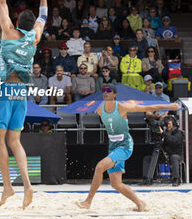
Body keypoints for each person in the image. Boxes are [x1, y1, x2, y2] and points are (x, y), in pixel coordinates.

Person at [0, 0, 51, 209]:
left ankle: (7, 186)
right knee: (15, 141)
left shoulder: (8, 32)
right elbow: (44, 16)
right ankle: (26, 184)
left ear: (17, 21)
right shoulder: (35, 37)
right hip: (21, 94)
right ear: (31, 23)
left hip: (5, 91)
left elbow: (1, 0)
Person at [75, 83, 180, 211]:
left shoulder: (121, 107)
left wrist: (169, 106)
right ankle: (140, 203)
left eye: (109, 90)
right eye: (104, 90)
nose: (105, 92)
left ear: (114, 95)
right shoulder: (99, 109)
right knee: (116, 184)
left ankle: (88, 202)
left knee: (100, 167)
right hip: (113, 146)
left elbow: (147, 107)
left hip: (124, 145)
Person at [143, 115, 183, 186]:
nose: (167, 125)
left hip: (176, 155)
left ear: (173, 123)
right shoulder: (163, 131)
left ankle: (176, 179)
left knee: (174, 157)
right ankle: (147, 178)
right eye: (166, 123)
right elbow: (156, 141)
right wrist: (156, 132)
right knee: (147, 158)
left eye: (169, 123)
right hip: (163, 155)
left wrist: (163, 133)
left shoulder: (178, 132)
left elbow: (173, 141)